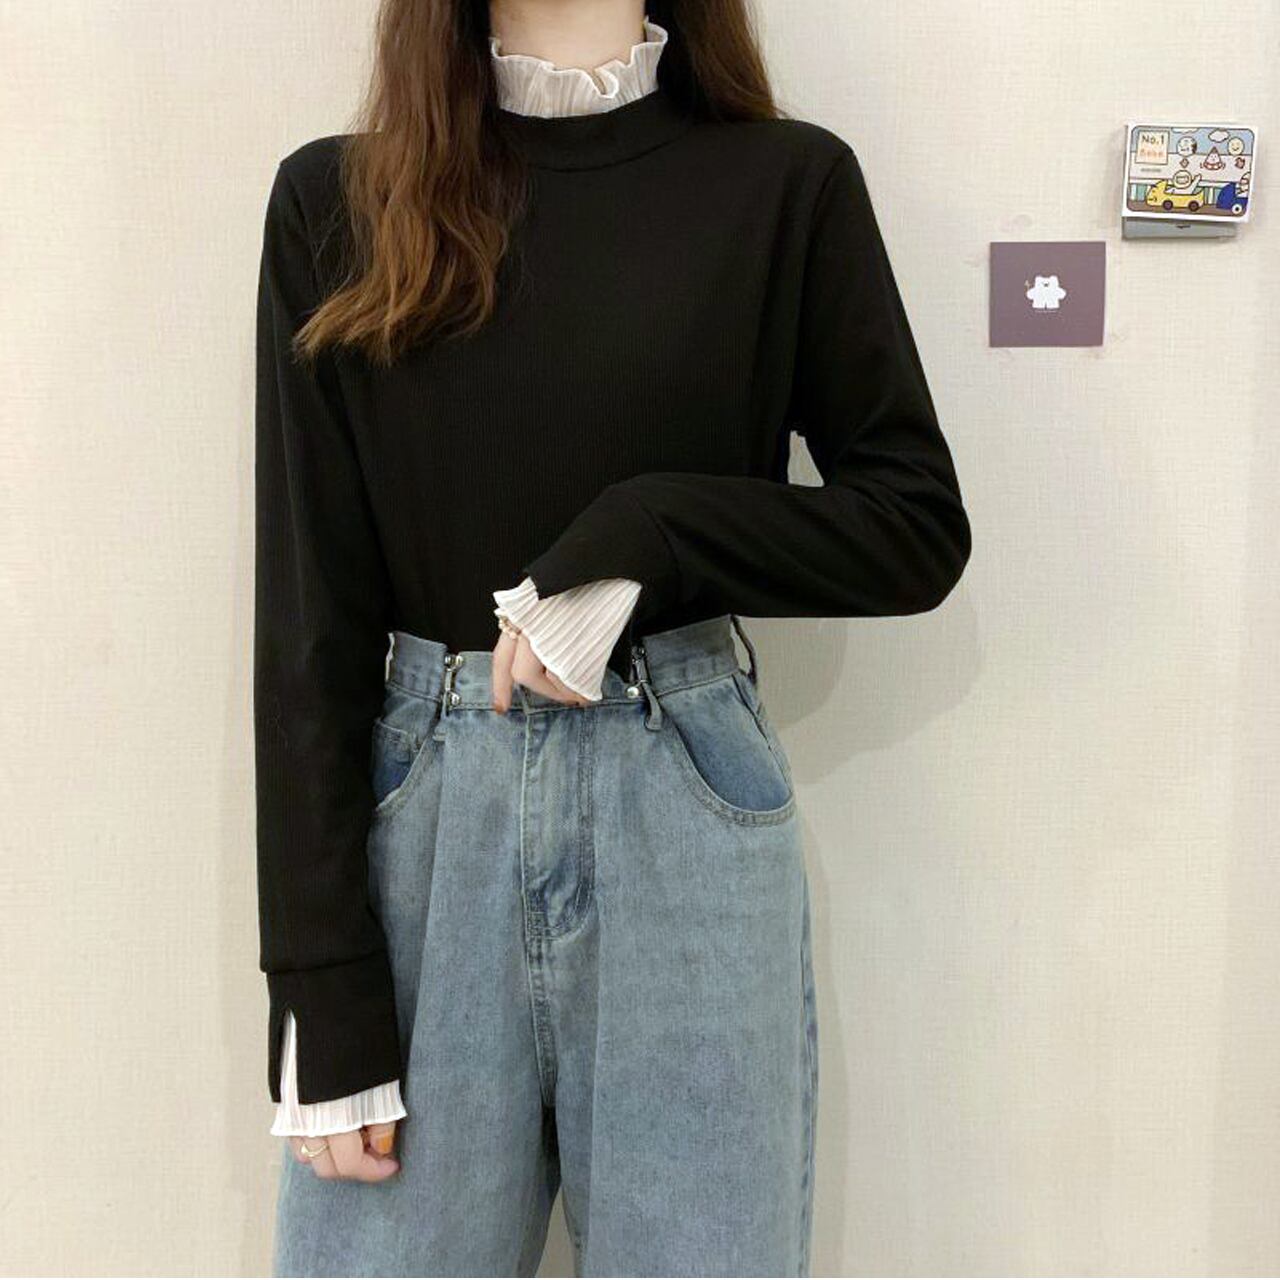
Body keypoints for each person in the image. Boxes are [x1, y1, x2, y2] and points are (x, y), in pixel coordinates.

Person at [253, 0, 971, 1273]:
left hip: (681, 813)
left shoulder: (782, 185)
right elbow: (311, 617)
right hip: (424, 834)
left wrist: (655, 531)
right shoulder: (340, 201)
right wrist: (317, 977)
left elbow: (911, 524)